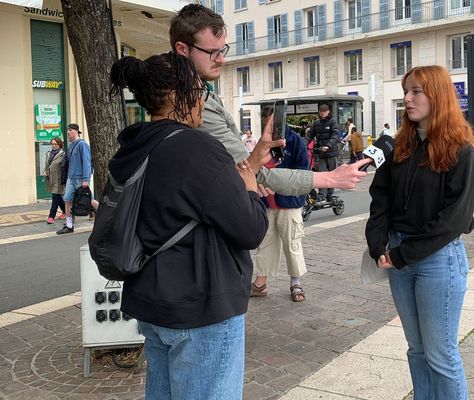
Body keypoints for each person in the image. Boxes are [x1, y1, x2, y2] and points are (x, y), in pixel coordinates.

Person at [110, 52, 269, 400]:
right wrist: (252, 189)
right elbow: (250, 229)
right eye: (201, 90)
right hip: (200, 306)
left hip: (151, 302)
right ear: (183, 93)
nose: (203, 99)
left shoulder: (132, 145)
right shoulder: (198, 149)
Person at [365, 65, 474, 400]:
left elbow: (455, 219)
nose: (407, 98)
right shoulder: (401, 147)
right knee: (416, 350)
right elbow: (380, 199)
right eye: (407, 90)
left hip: (438, 261)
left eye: (416, 91)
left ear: (438, 95)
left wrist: (401, 255)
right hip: (398, 258)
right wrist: (378, 247)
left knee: (441, 355)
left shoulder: (462, 150)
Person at [170, 4, 369, 198]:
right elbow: (245, 169)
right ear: (182, 49)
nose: (221, 59)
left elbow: (246, 171)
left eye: (223, 50)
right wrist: (331, 179)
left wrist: (254, 172)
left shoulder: (199, 92)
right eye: (212, 52)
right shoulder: (192, 102)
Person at [251, 108, 310, 302]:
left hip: (288, 202)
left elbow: (303, 173)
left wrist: (280, 184)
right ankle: (260, 283)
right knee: (265, 242)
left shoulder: (295, 141)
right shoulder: (262, 142)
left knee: (292, 242)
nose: (266, 125)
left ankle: (295, 282)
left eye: (269, 121)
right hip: (266, 203)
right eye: (263, 121)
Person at [56, 123, 92, 234]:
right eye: (67, 131)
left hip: (81, 178)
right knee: (67, 199)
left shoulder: (82, 145)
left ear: (76, 131)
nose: (68, 133)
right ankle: (69, 225)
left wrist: (86, 179)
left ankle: (109, 215)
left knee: (89, 201)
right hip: (71, 178)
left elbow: (87, 162)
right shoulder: (70, 145)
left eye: (70, 131)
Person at [306, 104, 340, 201]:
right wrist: (303, 144)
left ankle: (329, 193)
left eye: (324, 111)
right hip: (320, 153)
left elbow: (335, 136)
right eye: (321, 111)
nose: (322, 113)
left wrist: (328, 145)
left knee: (332, 174)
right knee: (322, 174)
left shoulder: (333, 122)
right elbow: (309, 136)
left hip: (331, 153)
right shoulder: (316, 123)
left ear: (328, 111)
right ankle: (321, 195)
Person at [44, 137, 66, 224]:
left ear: (59, 144)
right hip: (50, 178)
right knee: (57, 196)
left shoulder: (63, 154)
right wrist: (45, 171)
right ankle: (65, 211)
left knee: (55, 197)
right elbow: (47, 165)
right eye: (52, 144)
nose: (53, 146)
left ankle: (51, 216)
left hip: (58, 178)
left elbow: (64, 167)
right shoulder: (48, 154)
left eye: (55, 144)